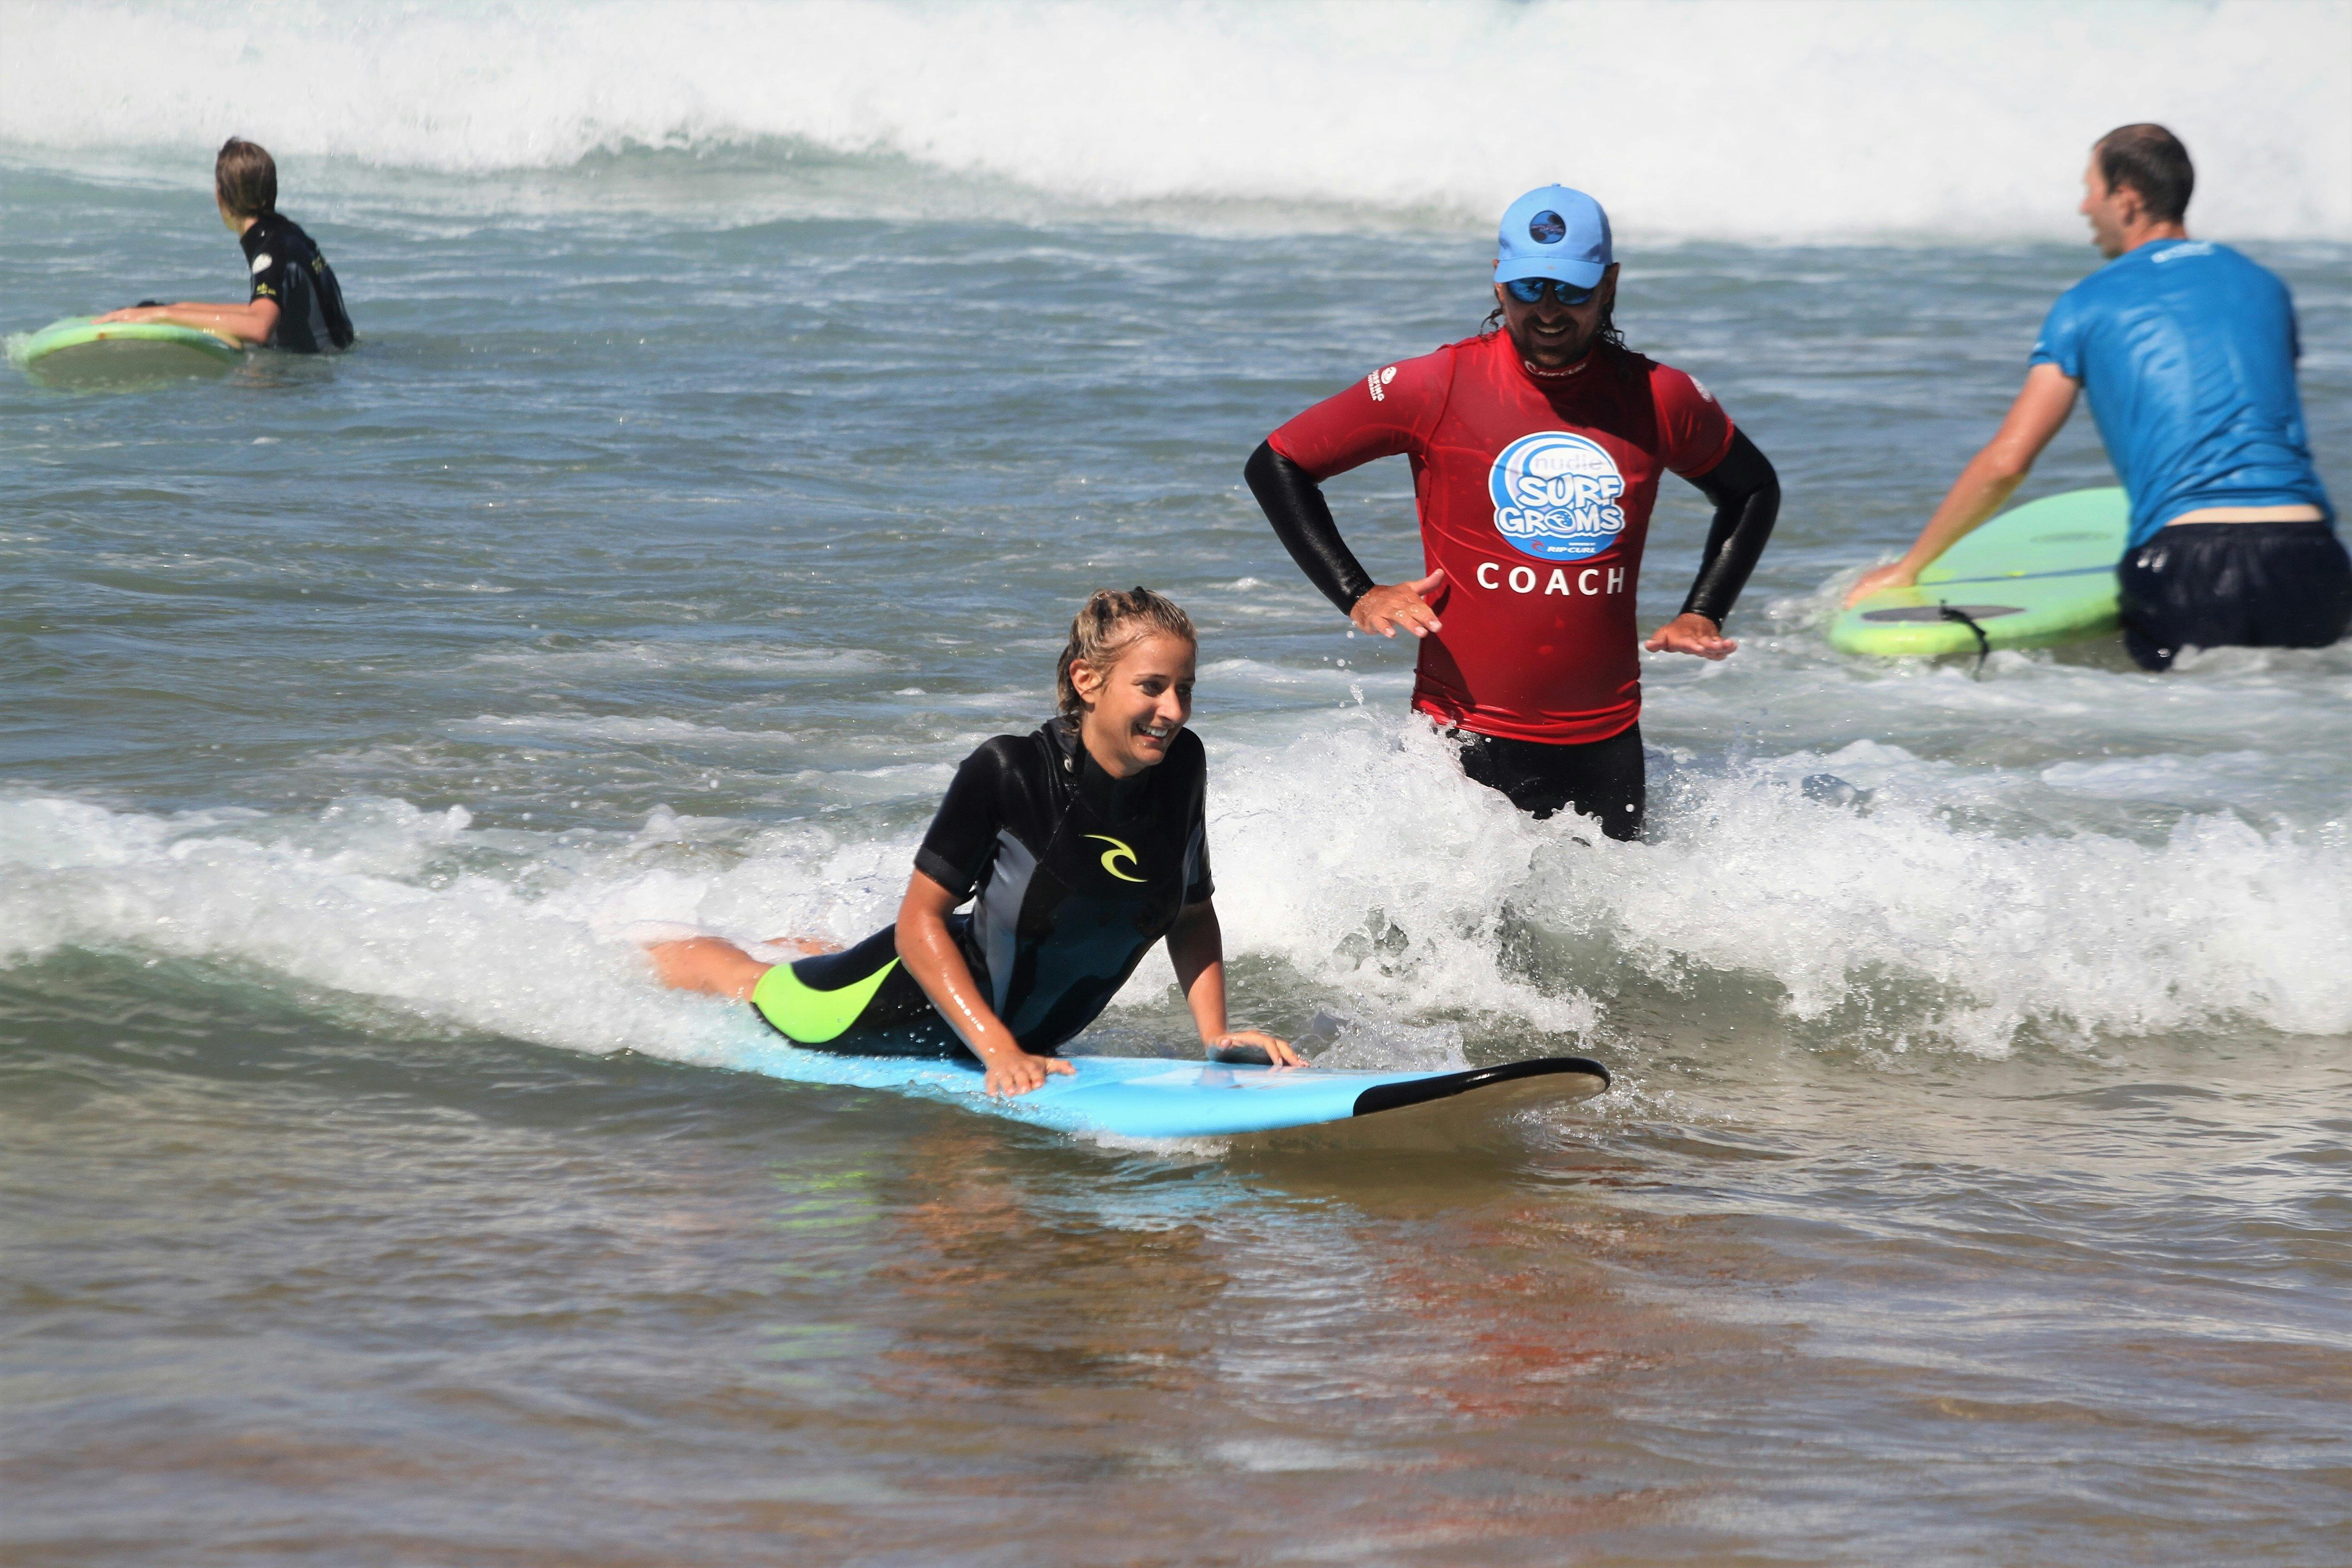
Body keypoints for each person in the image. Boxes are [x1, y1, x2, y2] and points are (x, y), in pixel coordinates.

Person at [1245, 185, 1780, 840]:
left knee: (1611, 939)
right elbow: (1278, 462)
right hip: (1464, 735)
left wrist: (1705, 608)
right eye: (1530, 289)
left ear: (1609, 285)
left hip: (1606, 742)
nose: (1550, 313)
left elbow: (1751, 490)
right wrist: (1356, 593)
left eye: (1572, 291)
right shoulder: (1438, 384)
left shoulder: (1658, 397)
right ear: (1499, 285)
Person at [646, 588, 1301, 1097]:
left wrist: (1214, 1035)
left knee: (824, 957)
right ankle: (634, 945)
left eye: (1184, 689)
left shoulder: (1181, 765)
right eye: (1152, 687)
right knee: (758, 986)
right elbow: (916, 925)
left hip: (993, 1003)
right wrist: (997, 1050)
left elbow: (1188, 910)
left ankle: (811, 946)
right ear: (1087, 680)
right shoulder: (1010, 771)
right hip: (895, 1009)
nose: (1175, 711)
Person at [1845, 124, 2345, 670]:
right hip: (2311, 551)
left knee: (2198, 738)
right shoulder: (2263, 285)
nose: (2084, 207)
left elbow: (2008, 462)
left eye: (2091, 189)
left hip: (2188, 559)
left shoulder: (2087, 303)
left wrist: (1910, 567)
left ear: (2125, 198)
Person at [94, 137, 354, 354]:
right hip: (334, 368)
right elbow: (263, 312)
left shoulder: (270, 252)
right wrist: (175, 309)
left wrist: (161, 317)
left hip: (317, 377)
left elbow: (259, 328)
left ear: (221, 197)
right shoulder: (289, 235)